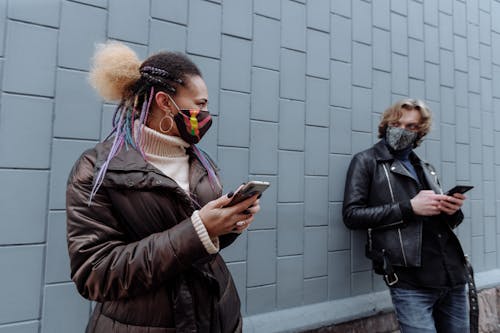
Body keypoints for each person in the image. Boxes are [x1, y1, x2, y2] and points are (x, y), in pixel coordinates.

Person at [66, 41, 260, 333]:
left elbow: (203, 246)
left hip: (217, 318)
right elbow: (95, 273)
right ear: (164, 103)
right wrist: (199, 230)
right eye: (200, 104)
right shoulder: (95, 169)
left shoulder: (199, 162)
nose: (206, 115)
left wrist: (229, 224)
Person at [342, 99, 471, 333]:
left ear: (420, 131)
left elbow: (440, 220)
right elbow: (352, 215)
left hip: (451, 273)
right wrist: (409, 208)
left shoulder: (426, 167)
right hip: (410, 278)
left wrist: (452, 210)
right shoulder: (367, 161)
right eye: (396, 123)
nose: (402, 130)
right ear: (386, 125)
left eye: (411, 126)